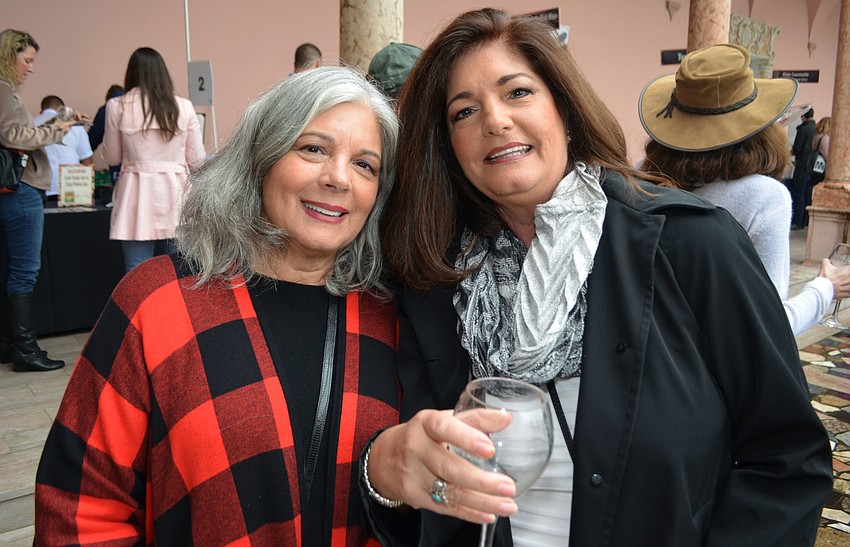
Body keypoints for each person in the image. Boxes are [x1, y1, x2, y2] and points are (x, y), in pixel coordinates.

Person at [360, 8, 832, 547]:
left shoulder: (690, 245)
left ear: (563, 107)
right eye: (463, 111)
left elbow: (789, 456)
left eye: (517, 93)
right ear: (447, 146)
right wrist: (384, 475)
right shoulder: (435, 286)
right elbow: (423, 497)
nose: (494, 120)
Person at [34, 66, 400, 545]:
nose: (338, 178)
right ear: (260, 158)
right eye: (313, 149)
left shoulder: (392, 317)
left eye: (365, 165)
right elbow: (80, 509)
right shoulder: (158, 301)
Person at [638, 44, 850, 336]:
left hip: (641, 365)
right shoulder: (763, 198)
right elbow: (769, 329)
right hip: (708, 377)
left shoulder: (642, 175)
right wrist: (825, 288)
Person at [0, 30, 82, 372]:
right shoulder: (4, 91)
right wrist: (57, 129)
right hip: (22, 190)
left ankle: (11, 344)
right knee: (24, 272)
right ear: (9, 56)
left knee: (11, 270)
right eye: (27, 61)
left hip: (13, 191)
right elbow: (14, 135)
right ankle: (26, 351)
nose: (30, 69)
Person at [101, 47, 205, 273]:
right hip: (176, 192)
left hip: (135, 192)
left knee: (136, 270)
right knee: (178, 269)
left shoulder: (117, 106)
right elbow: (197, 160)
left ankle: (140, 310)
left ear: (131, 73)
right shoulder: (184, 106)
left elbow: (112, 157)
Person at [33, 95, 94, 198]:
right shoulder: (76, 126)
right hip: (71, 185)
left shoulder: (31, 124)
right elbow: (87, 161)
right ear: (63, 109)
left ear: (41, 111)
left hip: (41, 186)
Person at [789, 107, 816, 229]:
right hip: (812, 167)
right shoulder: (816, 128)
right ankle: (806, 221)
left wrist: (789, 153)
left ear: (802, 117)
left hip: (801, 165)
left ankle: (798, 221)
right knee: (807, 193)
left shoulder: (803, 129)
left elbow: (797, 148)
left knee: (798, 193)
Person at [810, 115, 831, 185]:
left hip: (813, 166)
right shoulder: (825, 138)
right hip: (820, 167)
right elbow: (827, 156)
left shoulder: (816, 136)